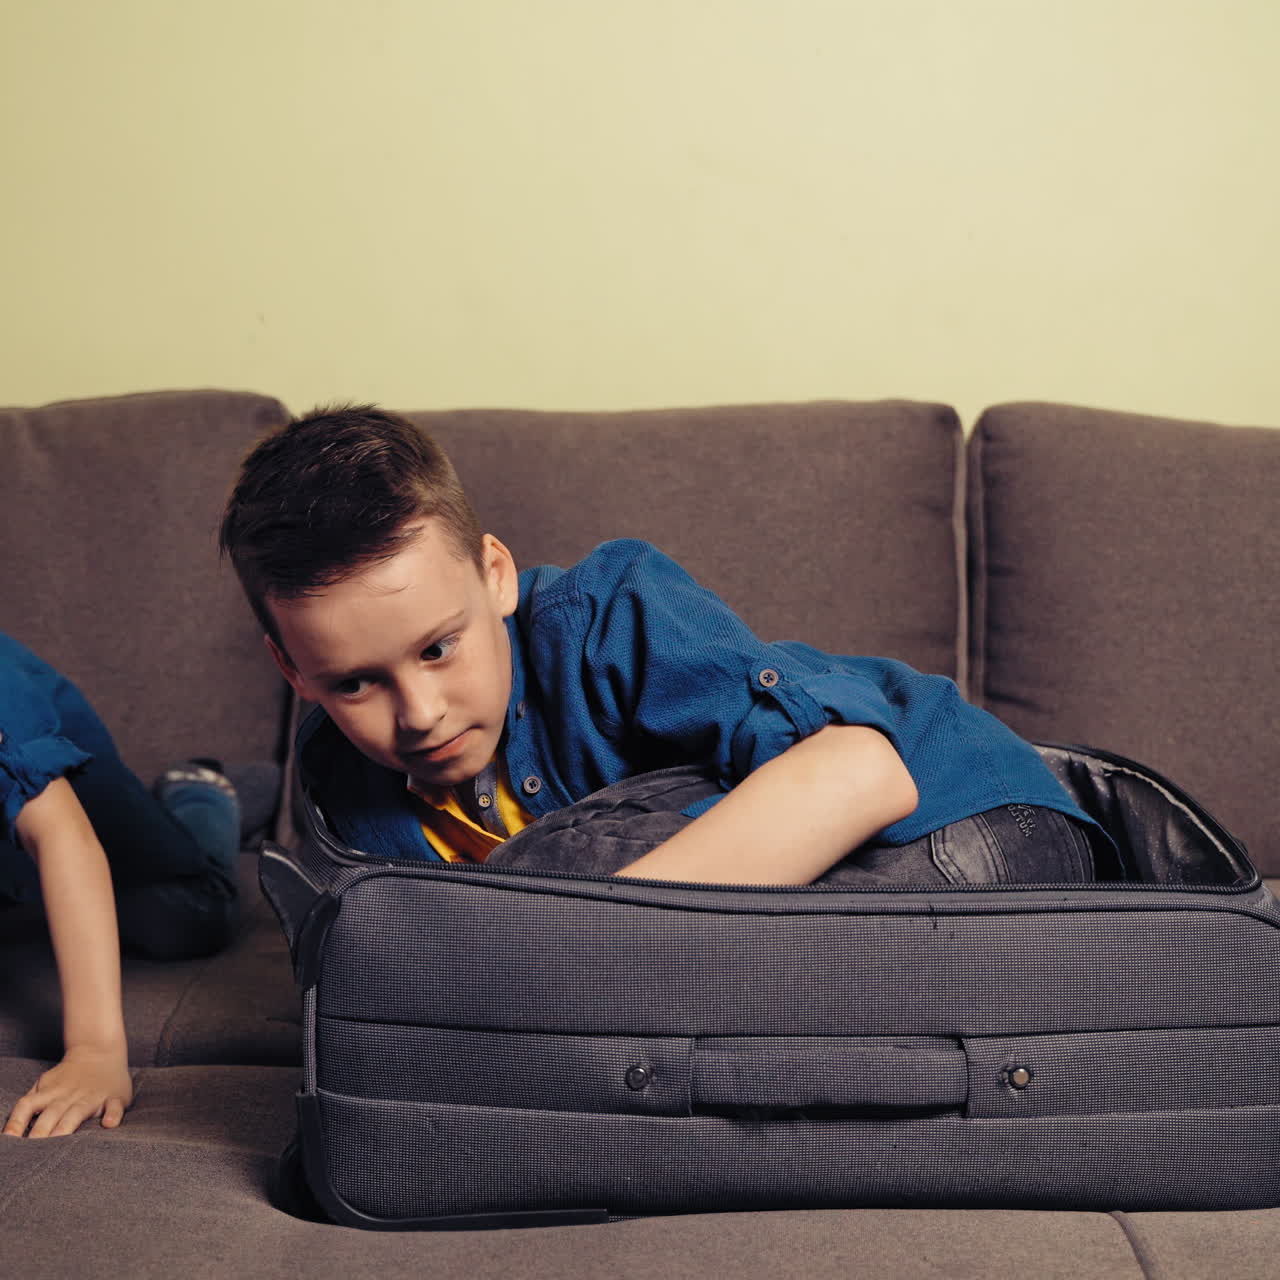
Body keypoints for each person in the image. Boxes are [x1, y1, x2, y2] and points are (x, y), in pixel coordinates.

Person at [218, 404, 1110, 889]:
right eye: (355, 684)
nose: (419, 713)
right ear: (294, 670)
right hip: (795, 906)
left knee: (551, 890)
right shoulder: (341, 785)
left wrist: (570, 952)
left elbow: (860, 775)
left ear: (495, 575)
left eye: (440, 649)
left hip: (970, 830)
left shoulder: (609, 615)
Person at [1, 633, 241, 1138]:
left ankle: (200, 792)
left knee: (186, 917)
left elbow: (64, 837)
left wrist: (95, 1050)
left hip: (81, 825)